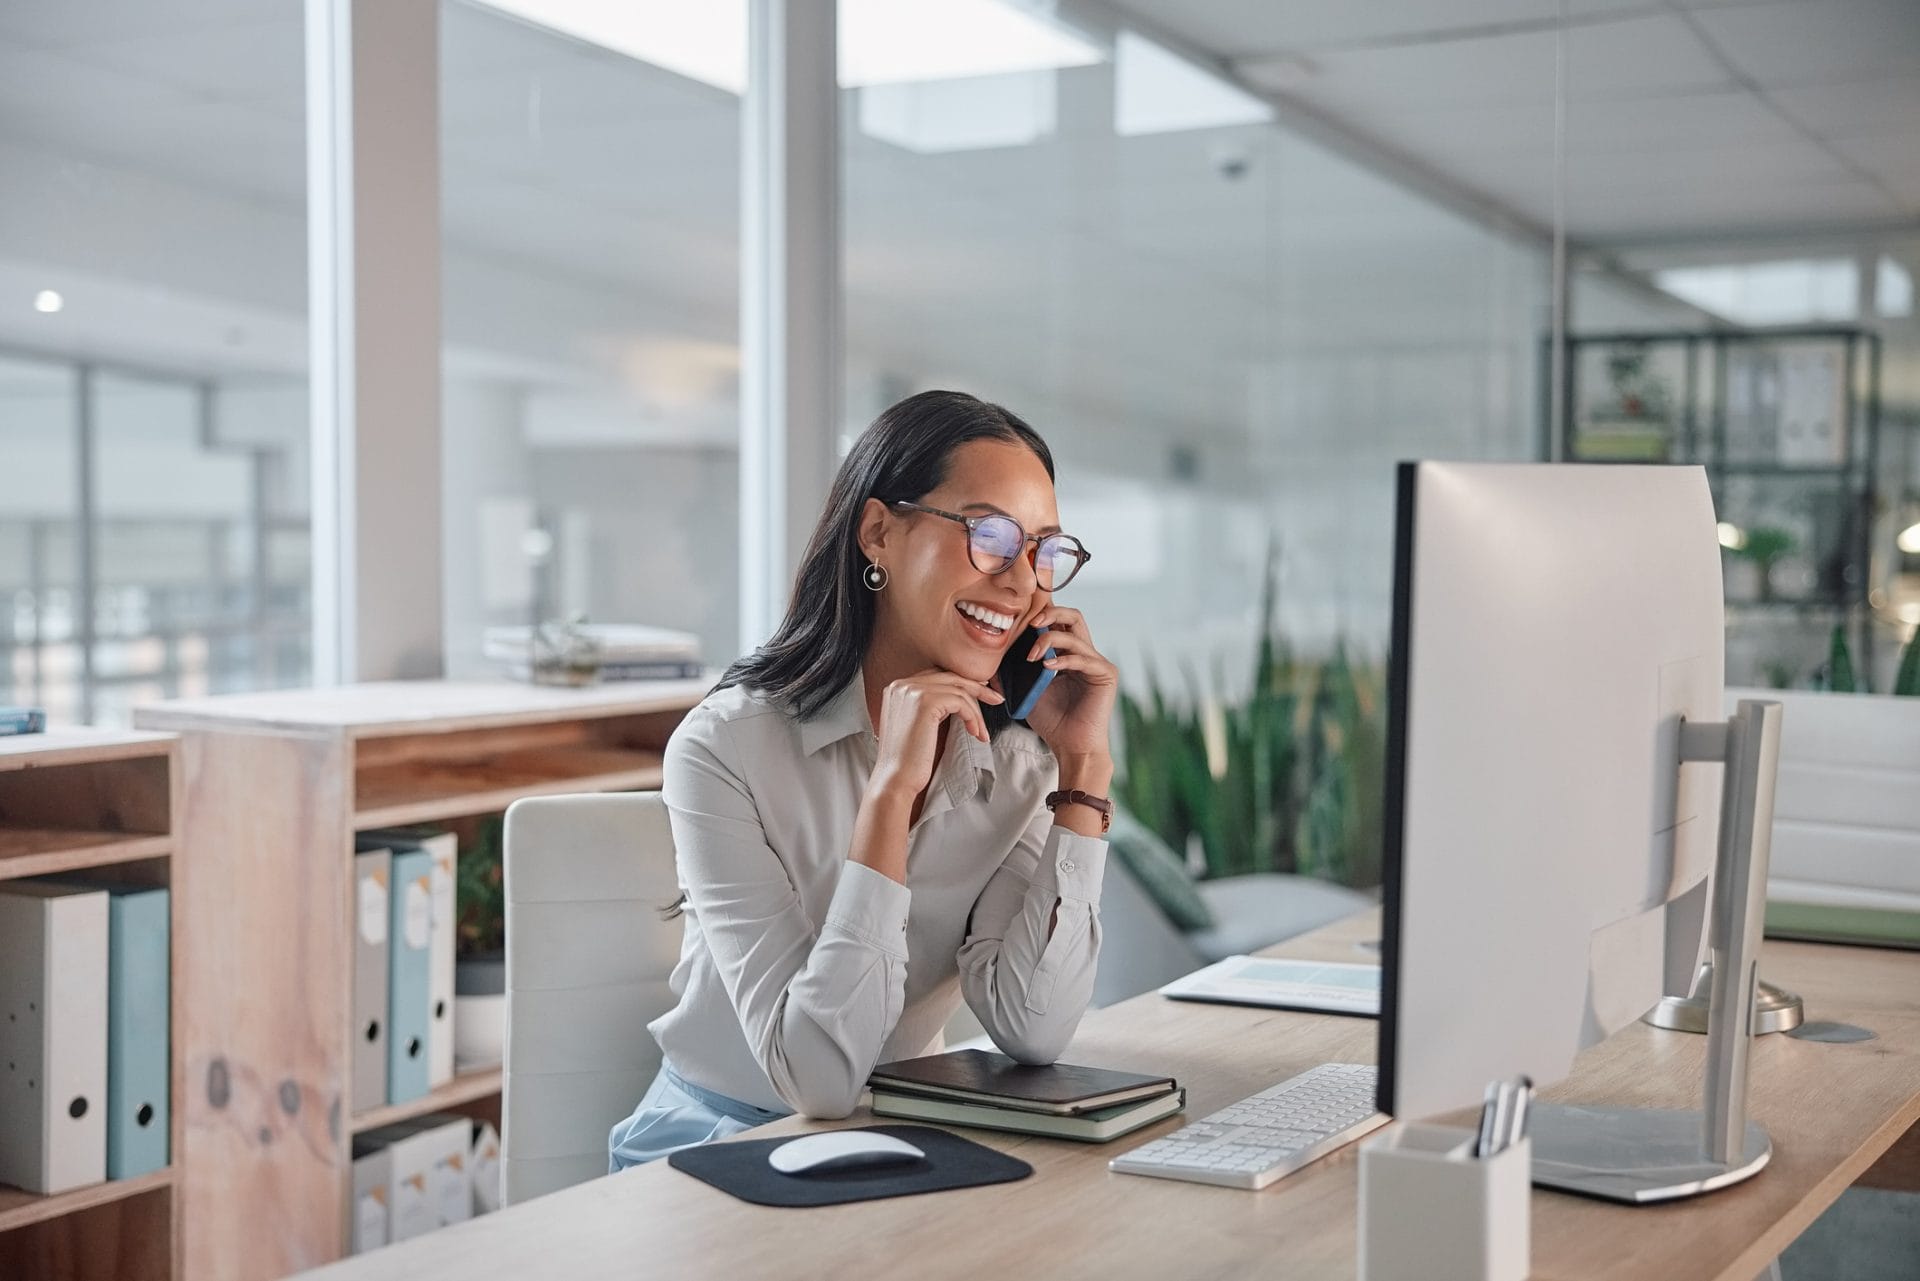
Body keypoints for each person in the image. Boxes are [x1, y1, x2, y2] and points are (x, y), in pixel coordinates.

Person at [609, 389, 1117, 1170]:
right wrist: (890, 795)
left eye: (1044, 550)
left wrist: (1083, 770)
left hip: (906, 1132)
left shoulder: (1023, 763)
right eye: (990, 534)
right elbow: (817, 1077)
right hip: (717, 1140)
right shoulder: (724, 748)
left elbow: (1033, 1025)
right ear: (878, 531)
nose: (1023, 584)